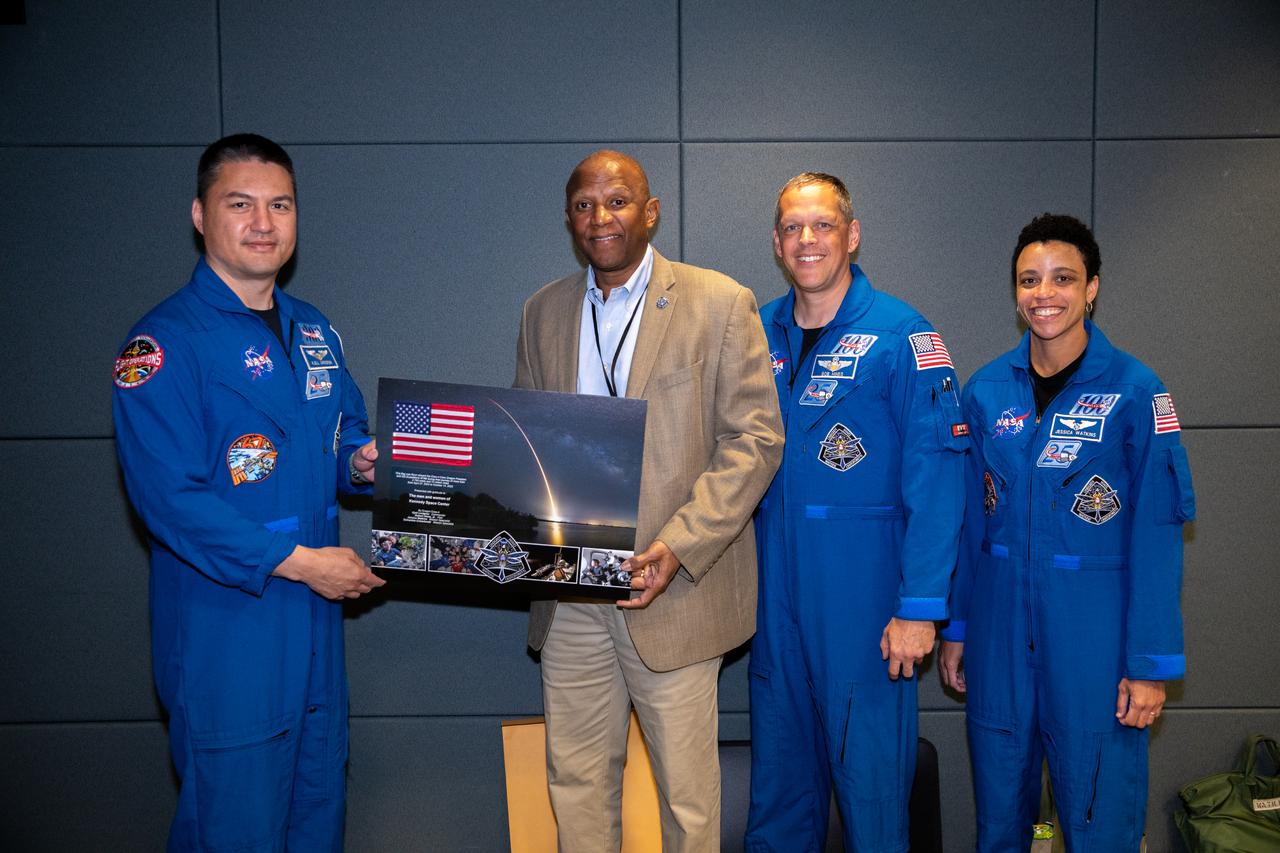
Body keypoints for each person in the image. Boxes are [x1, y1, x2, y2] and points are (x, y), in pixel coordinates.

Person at [112, 133, 385, 851]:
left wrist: (366, 462)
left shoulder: (314, 331)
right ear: (201, 215)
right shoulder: (163, 345)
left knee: (317, 819)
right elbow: (171, 500)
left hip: (316, 633)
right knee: (234, 830)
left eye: (280, 205)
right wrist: (299, 561)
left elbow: (342, 440)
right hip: (228, 632)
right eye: (242, 204)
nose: (264, 222)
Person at [514, 150, 783, 852]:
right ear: (569, 218)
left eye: (617, 201)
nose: (599, 217)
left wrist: (680, 546)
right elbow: (525, 446)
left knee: (688, 801)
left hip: (670, 588)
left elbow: (754, 440)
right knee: (575, 783)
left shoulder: (720, 302)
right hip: (570, 592)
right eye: (583, 205)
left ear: (650, 211)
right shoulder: (542, 311)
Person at [938, 214, 1195, 850]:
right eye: (1029, 280)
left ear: (1092, 288)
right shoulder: (986, 391)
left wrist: (1148, 665)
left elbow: (1158, 536)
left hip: (1095, 646)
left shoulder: (1137, 392)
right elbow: (971, 523)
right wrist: (960, 629)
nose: (1043, 294)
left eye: (1062, 278)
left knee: (1098, 821)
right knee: (1001, 821)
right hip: (999, 640)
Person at [747, 173, 968, 851]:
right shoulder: (757, 334)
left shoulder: (902, 337)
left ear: (851, 233)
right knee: (780, 798)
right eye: (792, 227)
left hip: (866, 612)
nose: (806, 239)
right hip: (773, 609)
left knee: (872, 803)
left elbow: (940, 482)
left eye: (821, 224)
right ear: (777, 245)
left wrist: (920, 607)